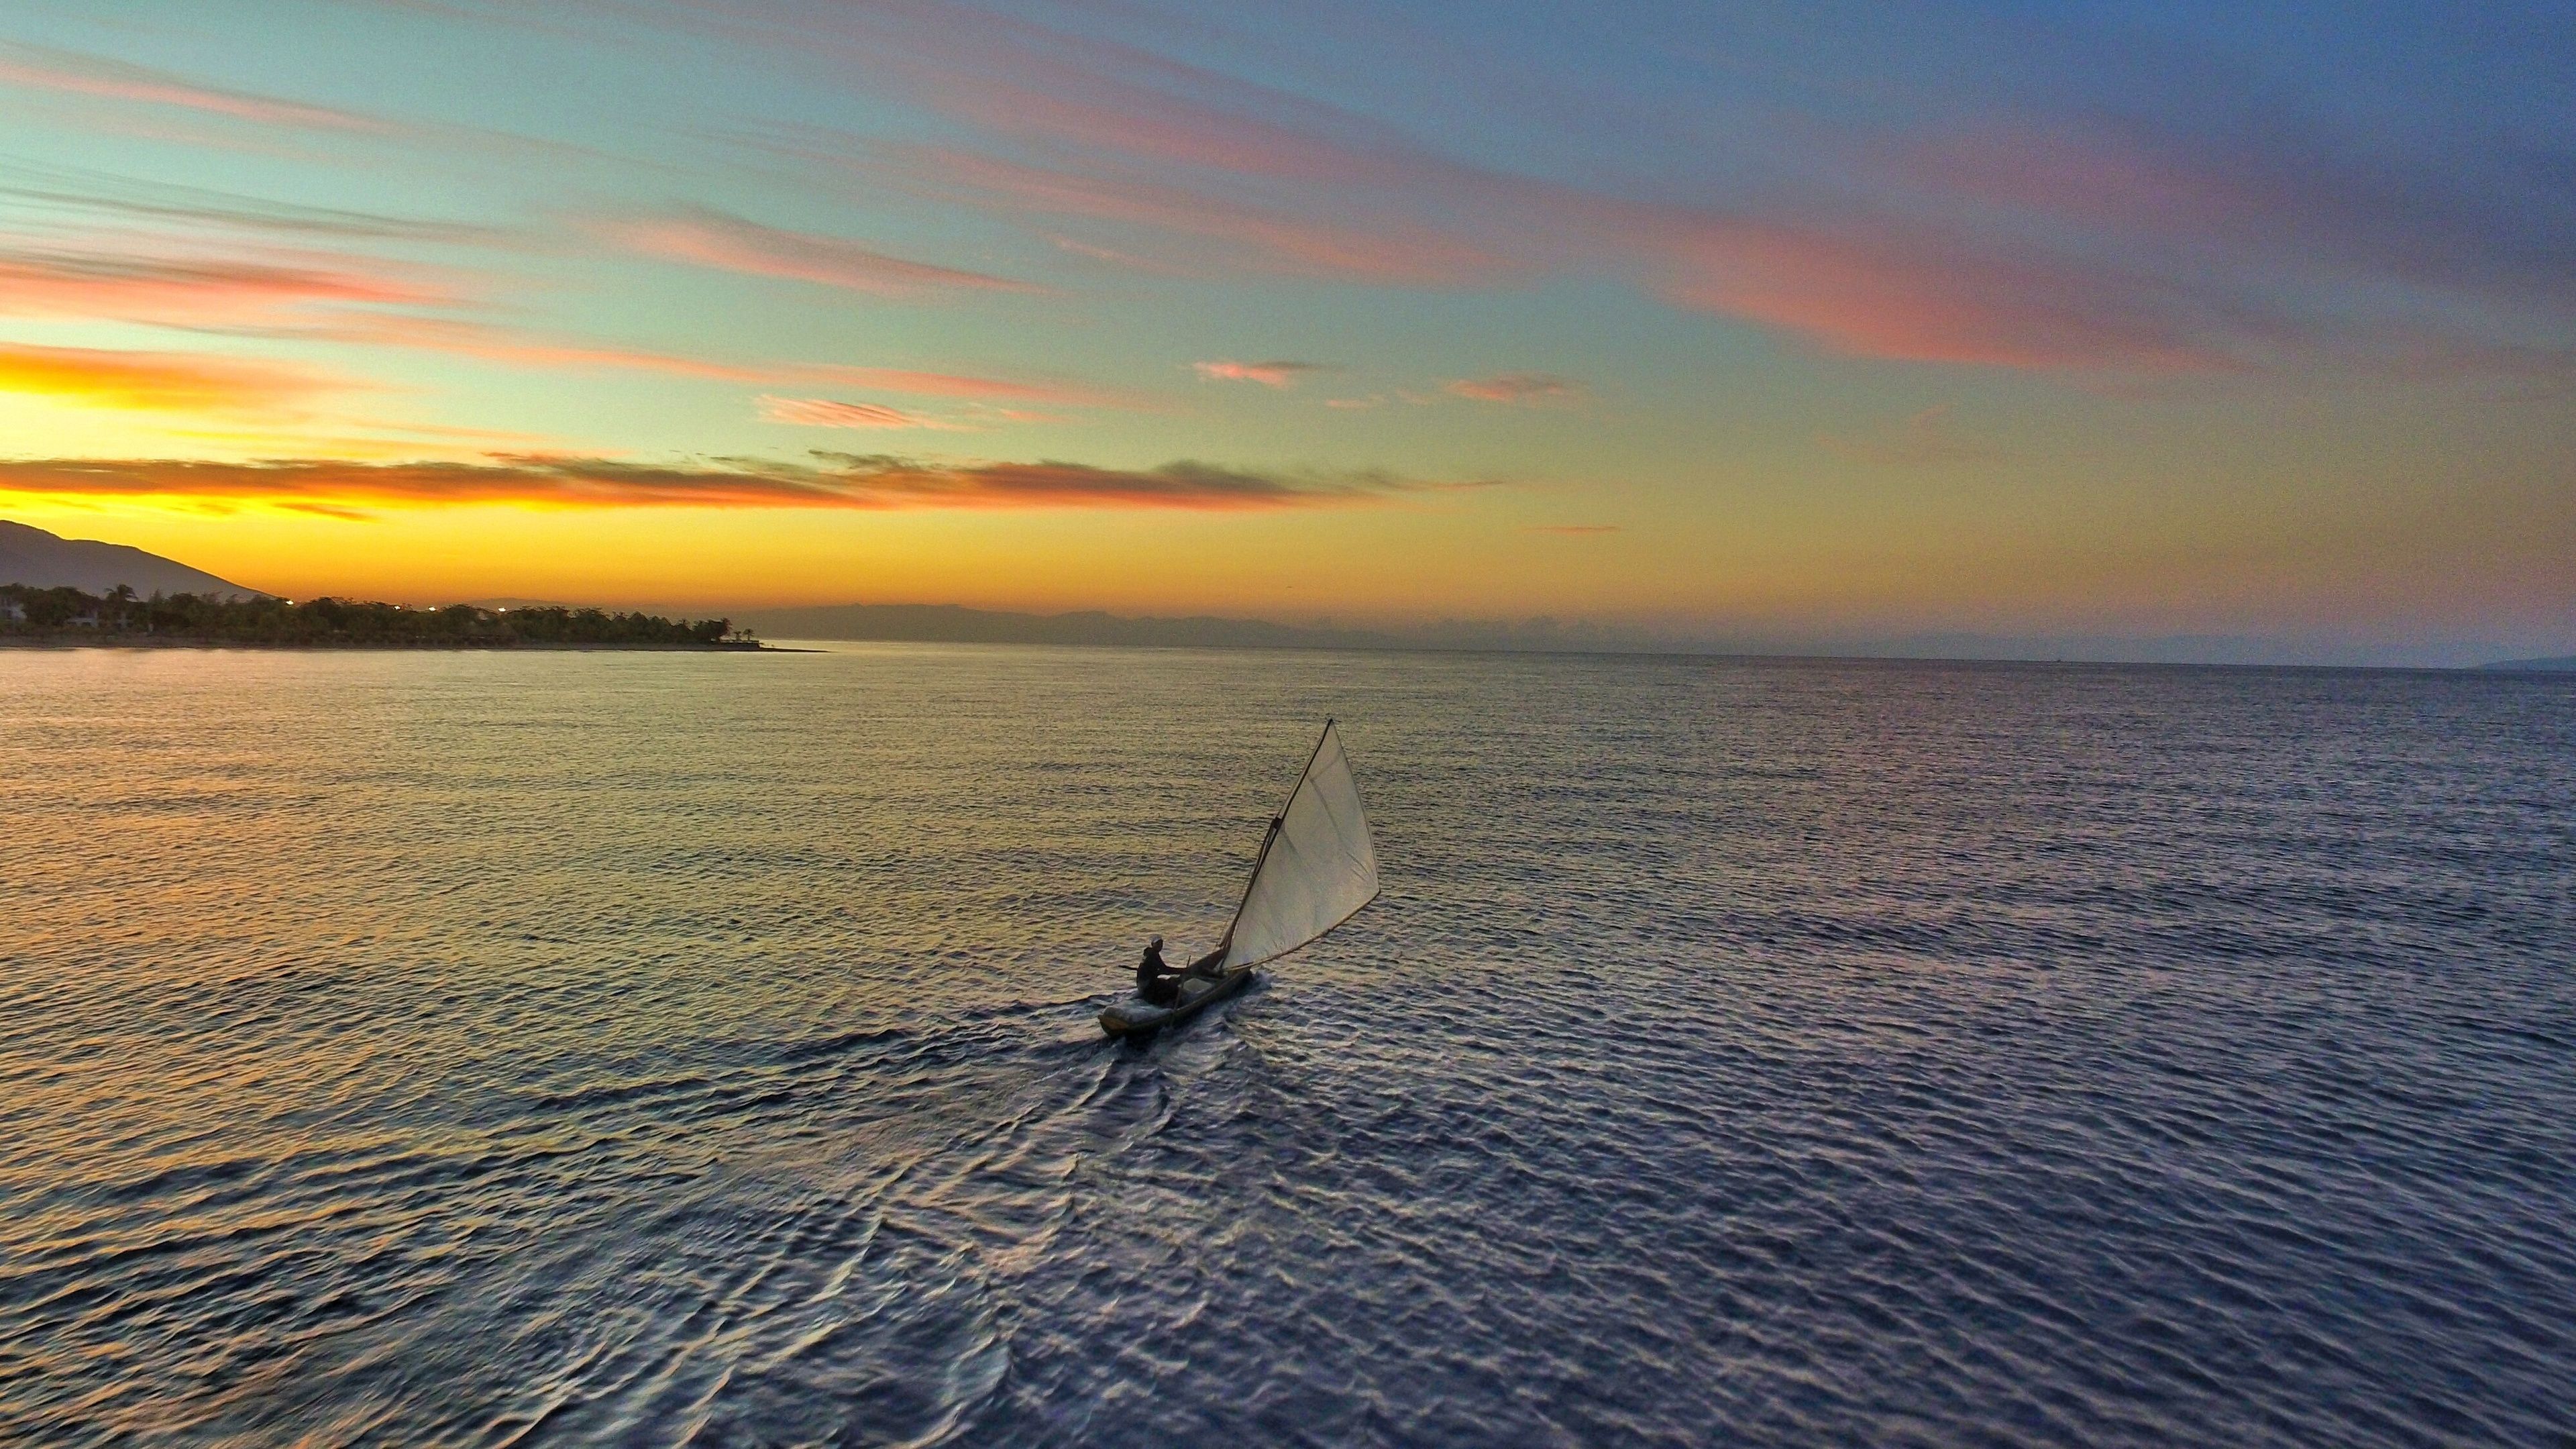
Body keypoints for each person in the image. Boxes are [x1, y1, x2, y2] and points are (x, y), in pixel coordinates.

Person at [1136, 935, 1183, 1006]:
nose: (1160, 945)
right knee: (1175, 990)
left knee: (1167, 982)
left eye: (1161, 943)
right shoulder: (1153, 955)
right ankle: (1173, 1006)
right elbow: (1165, 970)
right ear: (1152, 945)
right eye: (1157, 943)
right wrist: (1182, 971)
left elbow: (1154, 968)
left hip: (1142, 983)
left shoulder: (1148, 953)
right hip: (1147, 985)